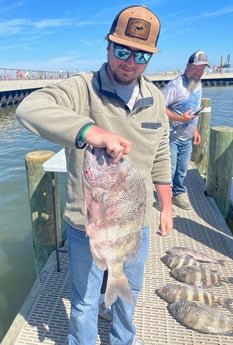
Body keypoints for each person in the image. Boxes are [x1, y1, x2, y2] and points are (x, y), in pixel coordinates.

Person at [16, 5, 173, 345]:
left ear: (150, 59)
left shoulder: (157, 99)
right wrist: (91, 130)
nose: (129, 61)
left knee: (129, 292)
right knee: (85, 301)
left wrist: (167, 206)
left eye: (141, 55)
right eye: (122, 50)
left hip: (136, 221)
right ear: (107, 46)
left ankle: (123, 340)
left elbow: (161, 155)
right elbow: (29, 109)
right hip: (87, 223)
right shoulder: (81, 88)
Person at [163, 50, 210, 210]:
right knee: (168, 170)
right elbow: (160, 109)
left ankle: (178, 193)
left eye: (202, 69)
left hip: (187, 138)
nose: (199, 72)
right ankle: (163, 198)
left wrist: (195, 130)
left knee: (182, 169)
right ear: (188, 66)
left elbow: (194, 108)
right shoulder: (175, 85)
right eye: (196, 68)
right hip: (171, 137)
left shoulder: (199, 85)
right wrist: (180, 119)